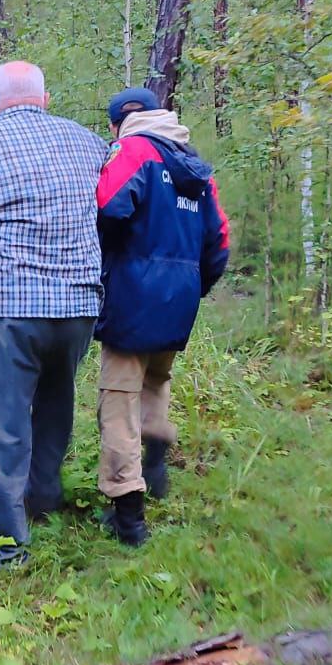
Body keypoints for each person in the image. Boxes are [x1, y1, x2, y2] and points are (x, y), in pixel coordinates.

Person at [0, 61, 107, 567]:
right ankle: (41, 499)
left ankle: (6, 541)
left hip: (7, 305)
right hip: (79, 302)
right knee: (57, 403)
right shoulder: (89, 144)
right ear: (45, 98)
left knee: (4, 422)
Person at [95, 86, 229, 545]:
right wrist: (192, 286)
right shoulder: (193, 164)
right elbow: (219, 241)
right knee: (156, 380)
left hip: (133, 296)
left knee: (118, 399)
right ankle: (154, 465)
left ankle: (127, 512)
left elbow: (109, 207)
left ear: (117, 123)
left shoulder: (133, 151)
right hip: (180, 299)